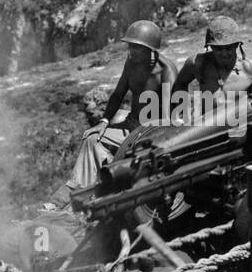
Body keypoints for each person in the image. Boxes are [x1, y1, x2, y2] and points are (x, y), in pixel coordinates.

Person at [63, 19, 176, 194]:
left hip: (151, 133)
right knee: (93, 139)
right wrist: (104, 121)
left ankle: (106, 188)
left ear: (151, 49)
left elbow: (169, 116)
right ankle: (79, 190)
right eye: (130, 46)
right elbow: (118, 94)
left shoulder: (167, 70)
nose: (132, 51)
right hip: (131, 125)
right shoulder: (131, 63)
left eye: (137, 47)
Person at [169, 15, 252, 126]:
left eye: (228, 48)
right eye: (218, 48)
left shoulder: (250, 70)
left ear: (237, 45)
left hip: (238, 127)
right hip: (205, 128)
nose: (224, 53)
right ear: (210, 47)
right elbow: (180, 84)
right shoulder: (197, 64)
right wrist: (181, 112)